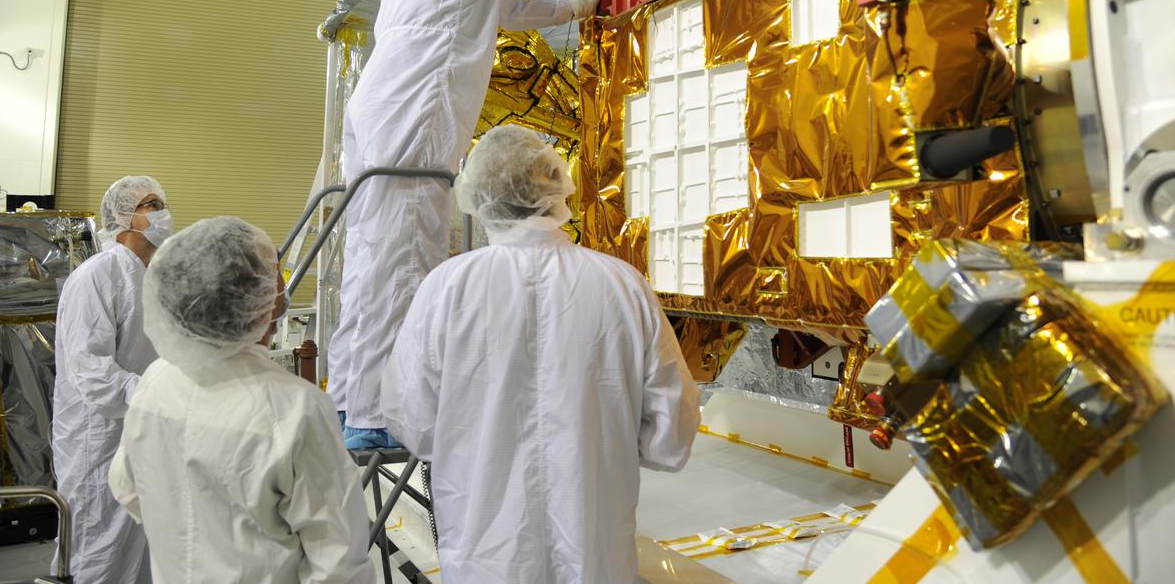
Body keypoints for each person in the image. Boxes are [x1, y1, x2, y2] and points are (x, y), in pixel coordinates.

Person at [331, 0, 674, 449]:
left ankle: (350, 400)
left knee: (372, 254)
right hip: (415, 104)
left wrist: (573, 11)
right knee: (404, 254)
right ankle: (375, 414)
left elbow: (502, 6)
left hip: (385, 104)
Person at [381, 125, 700, 582]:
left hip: (486, 560)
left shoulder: (446, 289)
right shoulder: (622, 286)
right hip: (597, 558)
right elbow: (673, 435)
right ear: (556, 188)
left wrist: (475, 439)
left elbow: (412, 420)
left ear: (479, 195)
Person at [110, 216, 372, 584]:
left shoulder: (155, 380)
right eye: (274, 275)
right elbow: (339, 562)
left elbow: (126, 487)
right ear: (257, 297)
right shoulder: (295, 407)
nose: (281, 286)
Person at [52, 176, 172, 584]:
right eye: (151, 205)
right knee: (97, 548)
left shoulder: (153, 276)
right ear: (124, 217)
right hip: (98, 439)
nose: (162, 212)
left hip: (143, 430)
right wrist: (163, 397)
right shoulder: (97, 276)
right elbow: (93, 374)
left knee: (140, 548)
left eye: (161, 204)